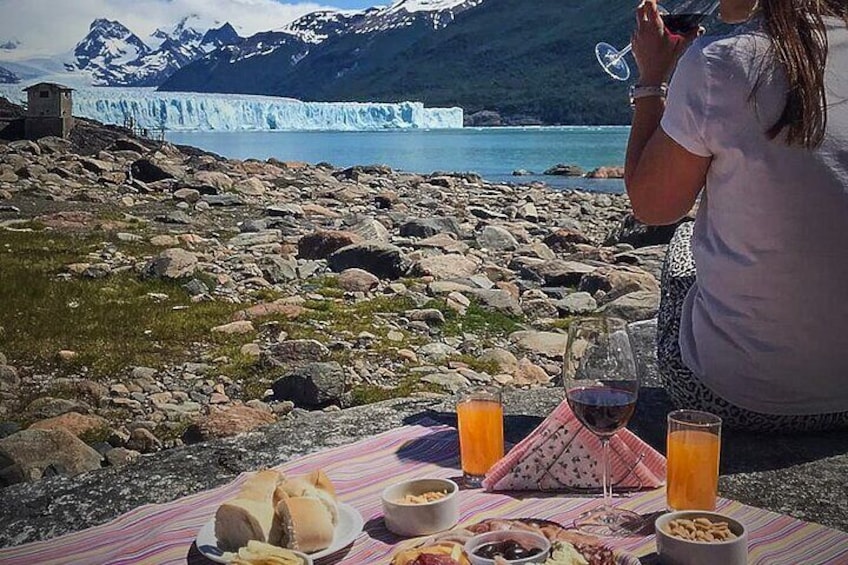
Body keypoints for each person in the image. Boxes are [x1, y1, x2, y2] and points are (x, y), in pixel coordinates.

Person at [624, 0, 848, 431]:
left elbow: (653, 207)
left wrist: (652, 80)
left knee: (685, 245)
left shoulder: (721, 61)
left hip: (735, 396)